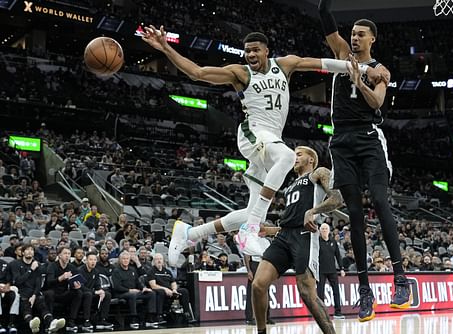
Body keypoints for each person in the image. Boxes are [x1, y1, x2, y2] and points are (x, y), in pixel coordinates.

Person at [141, 26, 384, 265]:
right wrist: (165, 47)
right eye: (247, 51)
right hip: (253, 134)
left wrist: (365, 69)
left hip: (270, 144)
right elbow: (198, 72)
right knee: (288, 158)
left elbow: (323, 63)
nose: (251, 55)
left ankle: (189, 234)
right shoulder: (241, 73)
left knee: (252, 209)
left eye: (256, 50)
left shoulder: (285, 65)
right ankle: (251, 229)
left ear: (267, 51)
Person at [318, 0, 411, 322]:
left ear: (372, 39)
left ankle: (400, 280)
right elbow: (324, 18)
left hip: (369, 139)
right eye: (353, 34)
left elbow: (377, 104)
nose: (354, 38)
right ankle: (364, 291)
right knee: (354, 215)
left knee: (381, 203)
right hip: (340, 140)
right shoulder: (342, 54)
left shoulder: (380, 70)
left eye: (360, 34)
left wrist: (360, 81)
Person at [252, 146, 344, 334]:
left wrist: (313, 211)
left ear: (311, 159)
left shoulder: (319, 173)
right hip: (284, 235)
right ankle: (261, 331)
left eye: (299, 154)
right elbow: (291, 220)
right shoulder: (290, 187)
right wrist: (270, 230)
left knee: (307, 293)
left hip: (304, 235)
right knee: (258, 285)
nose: (294, 157)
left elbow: (337, 199)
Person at [9, 245, 65, 333]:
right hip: (21, 291)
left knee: (41, 301)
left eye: (31, 250)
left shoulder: (38, 265)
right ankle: (31, 323)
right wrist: (30, 270)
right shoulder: (15, 264)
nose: (30, 251)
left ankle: (51, 323)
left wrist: (34, 295)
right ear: (22, 252)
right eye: (27, 250)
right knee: (25, 302)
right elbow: (18, 281)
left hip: (34, 291)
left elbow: (38, 283)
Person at [111, 251, 158, 329]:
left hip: (135, 292)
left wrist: (143, 288)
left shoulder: (132, 270)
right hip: (121, 293)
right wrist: (129, 290)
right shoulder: (116, 271)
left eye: (127, 259)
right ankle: (134, 318)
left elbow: (138, 282)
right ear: (120, 260)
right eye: (124, 259)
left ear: (129, 260)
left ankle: (150, 318)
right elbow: (117, 287)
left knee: (151, 293)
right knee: (132, 295)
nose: (126, 260)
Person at [147, 253, 194, 323]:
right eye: (157, 259)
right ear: (154, 261)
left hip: (170, 291)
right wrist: (165, 289)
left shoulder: (167, 271)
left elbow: (173, 283)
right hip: (159, 291)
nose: (159, 261)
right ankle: (159, 315)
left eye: (160, 259)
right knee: (161, 292)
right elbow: (153, 285)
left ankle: (186, 313)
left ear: (163, 261)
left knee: (184, 291)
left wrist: (174, 290)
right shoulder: (151, 271)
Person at [78, 252, 113, 331]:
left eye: (94, 260)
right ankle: (86, 320)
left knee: (107, 294)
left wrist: (101, 291)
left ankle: (102, 320)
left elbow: (97, 286)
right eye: (91, 260)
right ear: (86, 260)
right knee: (88, 294)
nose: (93, 262)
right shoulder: (80, 270)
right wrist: (94, 292)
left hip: (91, 293)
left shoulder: (96, 271)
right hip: (81, 294)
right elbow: (80, 287)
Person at [317, 223, 345, 319]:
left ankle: (338, 312)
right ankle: (322, 313)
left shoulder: (333, 241)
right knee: (320, 292)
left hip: (332, 270)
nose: (324, 230)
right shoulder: (317, 242)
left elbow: (338, 256)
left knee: (336, 291)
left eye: (326, 229)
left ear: (329, 231)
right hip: (321, 271)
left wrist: (341, 268)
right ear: (320, 231)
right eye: (322, 229)